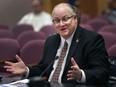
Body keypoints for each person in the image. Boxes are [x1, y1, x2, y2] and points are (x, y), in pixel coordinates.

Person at [4, 3, 110, 86]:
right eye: (57, 20)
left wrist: (81, 75)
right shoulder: (51, 40)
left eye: (65, 19)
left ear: (74, 19)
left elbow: (102, 73)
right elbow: (43, 69)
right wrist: (26, 70)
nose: (61, 24)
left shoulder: (92, 40)